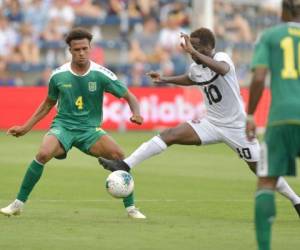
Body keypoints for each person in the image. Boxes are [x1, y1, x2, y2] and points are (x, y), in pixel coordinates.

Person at [98, 27, 300, 217]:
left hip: (237, 128)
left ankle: (296, 200)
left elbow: (222, 69)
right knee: (170, 135)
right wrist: (165, 79)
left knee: (260, 169)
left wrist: (194, 51)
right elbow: (190, 78)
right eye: (190, 47)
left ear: (209, 48)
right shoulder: (196, 67)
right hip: (211, 124)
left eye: (196, 47)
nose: (192, 52)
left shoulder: (221, 57)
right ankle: (124, 165)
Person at [0, 27, 146, 219]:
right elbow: (47, 104)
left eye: (85, 48)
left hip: (90, 131)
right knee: (43, 154)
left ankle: (131, 208)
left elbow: (130, 96)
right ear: (70, 50)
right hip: (63, 127)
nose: (81, 53)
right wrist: (25, 128)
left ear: (90, 48)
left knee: (118, 155)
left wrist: (136, 113)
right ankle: (17, 204)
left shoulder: (101, 74)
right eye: (77, 50)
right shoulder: (58, 75)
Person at [246, 0, 300, 249]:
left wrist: (250, 114)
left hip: (280, 118)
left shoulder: (271, 35)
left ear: (283, 11)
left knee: (266, 181)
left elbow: (258, 77)